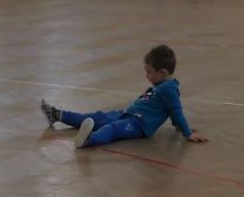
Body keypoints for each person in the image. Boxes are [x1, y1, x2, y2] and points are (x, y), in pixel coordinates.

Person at [40, 43, 206, 149]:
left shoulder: (169, 89)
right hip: (126, 114)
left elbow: (175, 111)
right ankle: (57, 114)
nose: (146, 76)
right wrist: (178, 126)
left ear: (162, 72)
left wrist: (187, 133)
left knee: (112, 129)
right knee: (94, 117)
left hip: (139, 125)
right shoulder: (160, 85)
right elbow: (171, 112)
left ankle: (89, 139)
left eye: (149, 72)